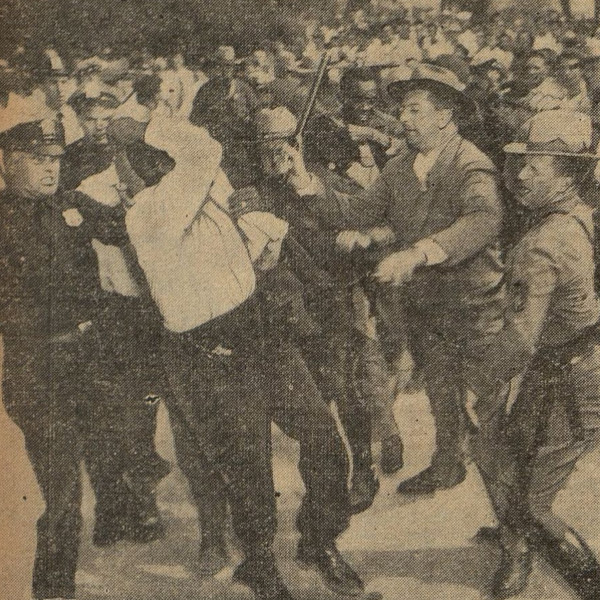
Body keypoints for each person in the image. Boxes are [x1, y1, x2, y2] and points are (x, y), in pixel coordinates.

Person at [124, 115, 290, 600]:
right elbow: (202, 147)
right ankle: (246, 555)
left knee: (241, 452)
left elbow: (243, 248)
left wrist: (261, 235)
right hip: (201, 344)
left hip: (239, 330)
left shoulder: (191, 197)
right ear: (161, 167)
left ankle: (251, 554)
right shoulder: (155, 207)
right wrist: (149, 124)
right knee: (226, 455)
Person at [337, 64, 505, 495]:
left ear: (444, 114)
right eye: (403, 111)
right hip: (425, 302)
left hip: (474, 303)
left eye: (414, 110)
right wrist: (308, 186)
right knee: (439, 388)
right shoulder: (399, 167)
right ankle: (448, 463)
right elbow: (359, 212)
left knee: (491, 402)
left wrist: (417, 252)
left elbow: (482, 220)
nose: (403, 120)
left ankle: (513, 506)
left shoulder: (471, 163)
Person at [467, 110, 600, 600]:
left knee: (530, 494)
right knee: (508, 457)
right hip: (572, 364)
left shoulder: (543, 242)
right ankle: (515, 541)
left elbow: (522, 338)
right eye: (518, 166)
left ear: (566, 174)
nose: (518, 176)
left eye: (534, 168)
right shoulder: (581, 214)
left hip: (571, 379)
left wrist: (478, 386)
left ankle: (585, 579)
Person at [0, 118, 128, 600]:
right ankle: (54, 591)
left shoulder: (70, 203)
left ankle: (117, 516)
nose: (50, 169)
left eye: (54, 159)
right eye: (38, 160)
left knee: (114, 450)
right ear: (9, 162)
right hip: (39, 370)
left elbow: (125, 226)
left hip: (87, 361)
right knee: (63, 497)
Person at [189, 45, 260, 188]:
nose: (224, 71)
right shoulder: (205, 91)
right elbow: (194, 119)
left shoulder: (243, 88)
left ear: (233, 68)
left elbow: (258, 115)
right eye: (220, 67)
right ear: (214, 68)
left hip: (243, 150)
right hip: (217, 151)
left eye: (228, 67)